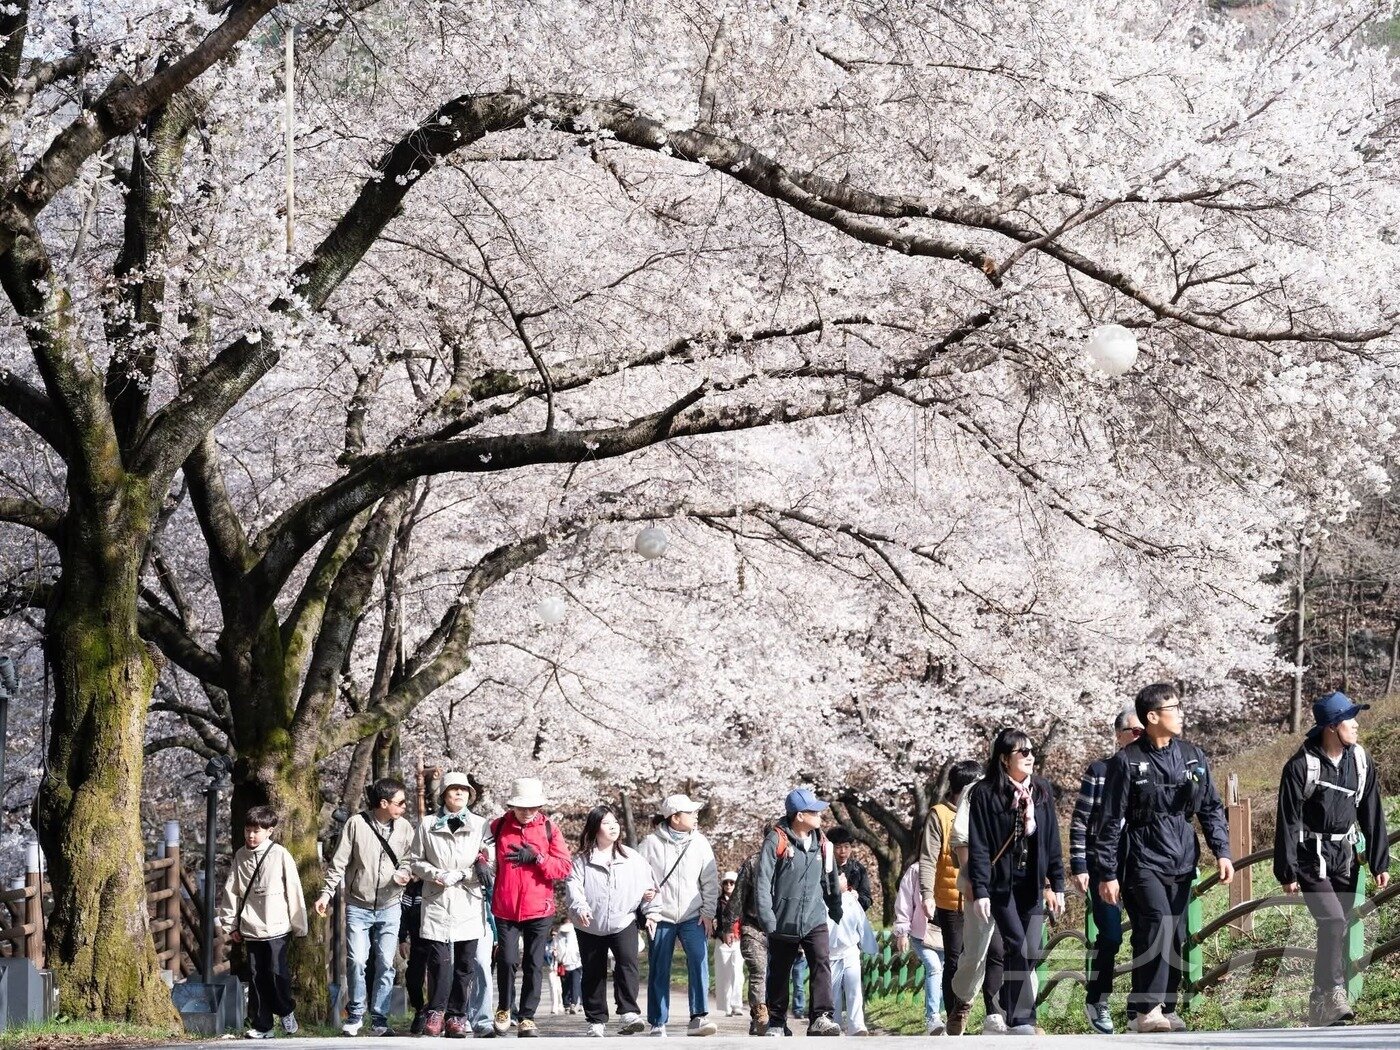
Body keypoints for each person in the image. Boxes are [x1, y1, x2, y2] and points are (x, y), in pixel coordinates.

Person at [1095, 682, 1233, 1034]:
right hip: (1141, 856)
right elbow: (1110, 821)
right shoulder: (1126, 762)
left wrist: (1222, 851)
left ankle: (1165, 1005)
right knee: (1154, 922)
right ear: (1152, 716)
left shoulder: (1192, 755)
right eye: (1174, 707)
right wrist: (1107, 873)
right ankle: (1147, 1009)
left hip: (1183, 854)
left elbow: (1211, 807)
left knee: (1174, 931)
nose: (1181, 713)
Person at [1275, 691, 1391, 1027]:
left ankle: (1318, 1001)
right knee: (1333, 921)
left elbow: (1371, 809)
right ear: (1330, 727)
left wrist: (1379, 859)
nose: (1355, 725)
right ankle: (1334, 993)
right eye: (1349, 720)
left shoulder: (1360, 760)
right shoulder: (1301, 766)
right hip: (1311, 857)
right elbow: (1288, 820)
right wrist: (1287, 870)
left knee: (1337, 925)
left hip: (1346, 856)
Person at [967, 728, 1066, 1036]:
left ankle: (1008, 1005)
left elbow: (1051, 840)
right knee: (1017, 946)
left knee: (1032, 949)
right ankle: (1023, 1018)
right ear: (1004, 758)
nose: (1030, 757)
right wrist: (980, 889)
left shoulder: (1041, 789)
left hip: (1032, 882)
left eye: (1032, 751)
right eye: (1023, 753)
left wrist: (1057, 883)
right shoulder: (984, 793)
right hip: (1001, 885)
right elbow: (979, 844)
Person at [315, 777, 414, 1037]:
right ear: (383, 803)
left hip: (391, 904)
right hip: (359, 905)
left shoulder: (404, 827)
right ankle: (356, 1012)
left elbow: (410, 858)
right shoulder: (356, 824)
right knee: (357, 960)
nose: (405, 807)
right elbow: (338, 863)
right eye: (400, 802)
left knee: (385, 961)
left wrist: (404, 872)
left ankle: (380, 1018)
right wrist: (326, 894)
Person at [1069, 707, 1142, 1034]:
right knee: (1111, 935)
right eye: (1135, 731)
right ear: (1119, 735)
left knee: (1148, 933)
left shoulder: (1149, 770)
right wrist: (1080, 865)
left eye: (1145, 731)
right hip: (1103, 867)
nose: (1141, 737)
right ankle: (1097, 997)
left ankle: (1141, 1007)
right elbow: (1081, 820)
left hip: (1141, 865)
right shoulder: (1100, 770)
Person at [406, 770, 489, 1038]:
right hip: (437, 896)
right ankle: (436, 1012)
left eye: (464, 790)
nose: (459, 794)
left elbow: (490, 862)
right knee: (439, 960)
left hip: (467, 896)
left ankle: (457, 1015)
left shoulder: (480, 824)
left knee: (465, 962)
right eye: (454, 789)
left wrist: (465, 874)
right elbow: (415, 860)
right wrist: (437, 874)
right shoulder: (428, 823)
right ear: (443, 794)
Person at [754, 786, 843, 1037]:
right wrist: (767, 916)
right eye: (814, 811)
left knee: (821, 962)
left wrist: (835, 908)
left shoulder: (822, 842)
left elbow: (830, 878)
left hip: (814, 916)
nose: (820, 815)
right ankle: (777, 1021)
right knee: (780, 970)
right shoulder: (777, 839)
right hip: (783, 918)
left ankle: (821, 1017)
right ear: (800, 816)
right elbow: (763, 881)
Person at [488, 777, 574, 1037]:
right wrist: (482, 860)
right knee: (507, 960)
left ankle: (527, 1017)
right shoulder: (499, 826)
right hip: (505, 906)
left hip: (540, 908)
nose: (527, 813)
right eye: (522, 807)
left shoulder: (549, 828)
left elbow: (564, 867)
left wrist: (537, 857)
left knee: (534, 963)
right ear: (512, 805)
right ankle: (504, 1007)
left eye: (532, 807)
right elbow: (482, 850)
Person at [217, 805, 308, 1040]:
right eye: (248, 830)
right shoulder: (240, 855)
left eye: (256, 830)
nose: (251, 835)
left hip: (277, 925)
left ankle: (286, 1009)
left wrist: (299, 924)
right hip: (251, 927)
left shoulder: (280, 854)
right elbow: (232, 890)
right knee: (257, 978)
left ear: (270, 831)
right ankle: (263, 1025)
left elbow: (294, 889)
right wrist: (231, 924)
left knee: (277, 974)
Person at [566, 803, 654, 1036]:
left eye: (615, 822)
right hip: (589, 924)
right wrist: (580, 907)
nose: (613, 827)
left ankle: (628, 1012)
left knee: (627, 963)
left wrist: (651, 910)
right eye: (606, 823)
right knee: (593, 971)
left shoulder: (632, 858)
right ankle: (596, 1020)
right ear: (595, 828)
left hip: (623, 920)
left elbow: (649, 886)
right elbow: (573, 887)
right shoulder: (582, 860)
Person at [639, 793, 720, 1036]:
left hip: (692, 915)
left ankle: (698, 1017)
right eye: (691, 812)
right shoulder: (650, 844)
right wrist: (649, 911)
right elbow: (640, 882)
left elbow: (710, 881)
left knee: (699, 961)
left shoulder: (700, 843)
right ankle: (657, 1021)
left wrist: (708, 912)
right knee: (659, 967)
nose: (696, 815)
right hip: (660, 916)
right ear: (675, 818)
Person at [917, 759, 982, 1036]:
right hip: (950, 900)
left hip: (979, 897)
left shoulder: (982, 811)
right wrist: (927, 894)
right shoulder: (939, 814)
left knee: (984, 955)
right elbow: (928, 858)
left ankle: (985, 1011)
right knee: (954, 958)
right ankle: (954, 1012)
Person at [943, 764, 1008, 1035]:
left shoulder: (1031, 790)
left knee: (1012, 949)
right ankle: (964, 999)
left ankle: (1011, 1013)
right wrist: (969, 876)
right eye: (1022, 752)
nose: (1029, 758)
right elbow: (960, 837)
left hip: (1014, 885)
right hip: (980, 884)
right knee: (975, 953)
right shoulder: (975, 791)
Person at [730, 826, 772, 1035]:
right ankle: (760, 1013)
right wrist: (729, 922)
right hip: (753, 926)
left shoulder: (793, 861)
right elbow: (738, 894)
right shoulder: (753, 862)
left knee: (779, 975)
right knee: (759, 970)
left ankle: (775, 1016)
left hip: (781, 929)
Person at [893, 862, 942, 1034]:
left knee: (946, 972)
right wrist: (902, 932)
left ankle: (944, 1014)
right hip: (921, 933)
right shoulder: (916, 870)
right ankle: (933, 1018)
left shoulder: (956, 862)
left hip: (948, 932)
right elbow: (904, 901)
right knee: (935, 969)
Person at [829, 873, 877, 1035]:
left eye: (843, 876)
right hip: (829, 954)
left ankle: (856, 1025)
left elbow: (862, 924)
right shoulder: (821, 900)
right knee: (832, 994)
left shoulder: (850, 900)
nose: (843, 878)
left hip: (850, 951)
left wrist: (869, 946)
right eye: (840, 876)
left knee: (854, 989)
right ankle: (833, 1023)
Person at [713, 871, 745, 1016]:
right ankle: (726, 1006)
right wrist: (719, 935)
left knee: (738, 973)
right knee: (723, 975)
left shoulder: (742, 901)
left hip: (738, 941)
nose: (728, 885)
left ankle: (736, 1004)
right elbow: (713, 921)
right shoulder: (717, 902)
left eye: (732, 882)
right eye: (726, 883)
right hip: (722, 942)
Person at [826, 827, 874, 913]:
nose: (843, 851)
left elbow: (867, 899)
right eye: (838, 847)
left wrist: (857, 897)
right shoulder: (824, 868)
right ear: (830, 848)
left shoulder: (858, 869)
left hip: (852, 915)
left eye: (846, 846)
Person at [554, 921, 584, 1013]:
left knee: (575, 984)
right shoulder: (558, 937)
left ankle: (573, 1004)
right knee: (565, 985)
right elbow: (556, 948)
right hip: (563, 964)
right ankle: (566, 1004)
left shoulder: (576, 936)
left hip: (576, 963)